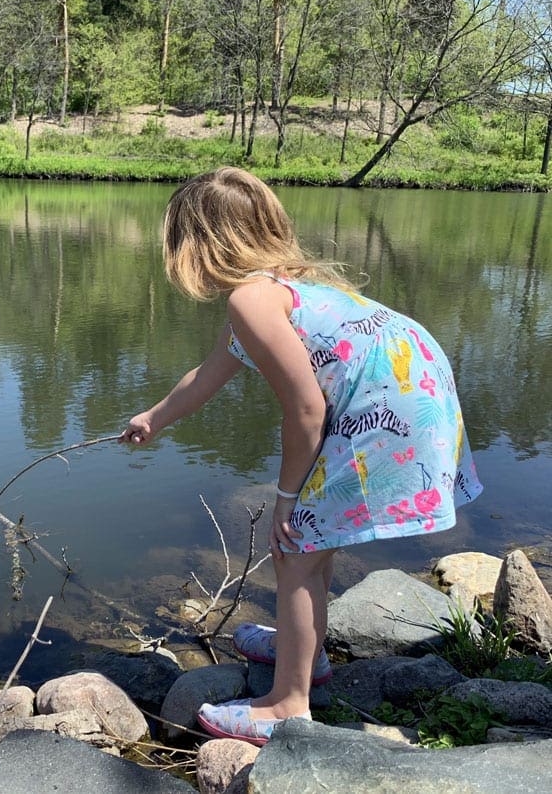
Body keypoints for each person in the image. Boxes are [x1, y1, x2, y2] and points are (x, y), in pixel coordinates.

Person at [119, 167, 483, 747]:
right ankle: (303, 655)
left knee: (295, 545)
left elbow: (307, 411)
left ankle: (288, 704)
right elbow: (208, 374)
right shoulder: (281, 287)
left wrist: (286, 498)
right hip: (417, 387)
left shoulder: (250, 299)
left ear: (197, 243)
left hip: (390, 408)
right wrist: (155, 417)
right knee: (313, 540)